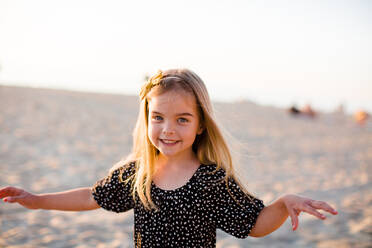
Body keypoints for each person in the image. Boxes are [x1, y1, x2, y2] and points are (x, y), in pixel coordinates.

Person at [0, 69, 337, 247]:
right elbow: (92, 196)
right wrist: (37, 199)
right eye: (158, 117)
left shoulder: (212, 179)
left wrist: (282, 204)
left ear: (201, 124)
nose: (168, 129)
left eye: (182, 119)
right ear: (146, 119)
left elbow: (252, 225)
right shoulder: (140, 174)